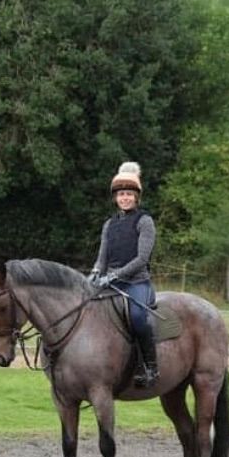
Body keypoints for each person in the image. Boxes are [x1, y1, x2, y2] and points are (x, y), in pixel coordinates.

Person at [89, 161, 159, 388]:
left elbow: (141, 259)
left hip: (136, 283)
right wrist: (96, 272)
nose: (125, 198)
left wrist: (114, 275)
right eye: (121, 194)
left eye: (129, 194)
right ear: (115, 197)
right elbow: (103, 255)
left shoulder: (145, 221)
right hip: (111, 282)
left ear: (136, 197)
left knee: (138, 319)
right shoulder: (109, 224)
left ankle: (150, 367)